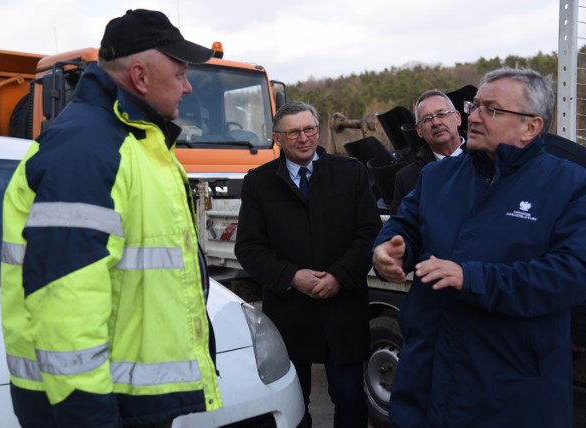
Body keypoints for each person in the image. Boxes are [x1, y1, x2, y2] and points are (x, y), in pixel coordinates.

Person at [0, 9, 222, 428]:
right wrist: (90, 417)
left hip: (122, 397)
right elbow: (66, 303)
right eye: (179, 74)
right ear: (140, 77)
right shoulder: (88, 150)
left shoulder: (133, 141)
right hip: (94, 407)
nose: (188, 87)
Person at [372, 68, 586, 427]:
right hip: (426, 380)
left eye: (492, 110)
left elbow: (571, 274)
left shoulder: (570, 186)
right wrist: (388, 251)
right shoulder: (436, 178)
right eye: (475, 106)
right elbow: (403, 227)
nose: (474, 116)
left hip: (512, 393)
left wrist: (471, 278)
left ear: (531, 127)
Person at [234, 101, 382, 428]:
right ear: (277, 138)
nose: (304, 138)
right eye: (293, 132)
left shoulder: (351, 173)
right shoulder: (259, 183)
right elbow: (248, 247)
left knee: (349, 398)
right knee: (294, 404)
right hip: (290, 315)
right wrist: (291, 276)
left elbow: (369, 231)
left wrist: (339, 276)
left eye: (309, 129)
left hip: (342, 308)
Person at [390, 89, 464, 214]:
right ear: (419, 130)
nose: (436, 123)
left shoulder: (486, 159)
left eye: (441, 114)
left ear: (457, 117)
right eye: (427, 119)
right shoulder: (407, 179)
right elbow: (399, 227)